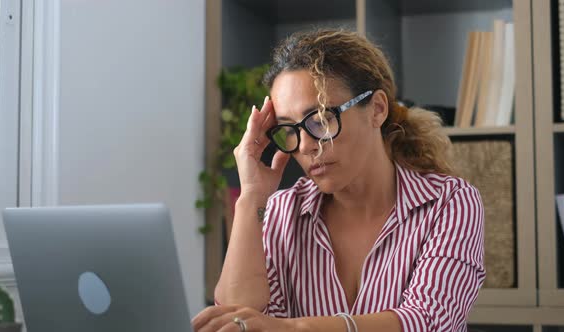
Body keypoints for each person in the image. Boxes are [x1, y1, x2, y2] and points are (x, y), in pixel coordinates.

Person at [193, 29, 485, 332]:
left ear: (377, 109)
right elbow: (240, 319)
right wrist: (251, 198)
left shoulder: (448, 202)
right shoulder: (283, 211)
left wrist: (293, 329)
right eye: (289, 129)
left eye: (320, 120)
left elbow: (428, 320)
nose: (305, 145)